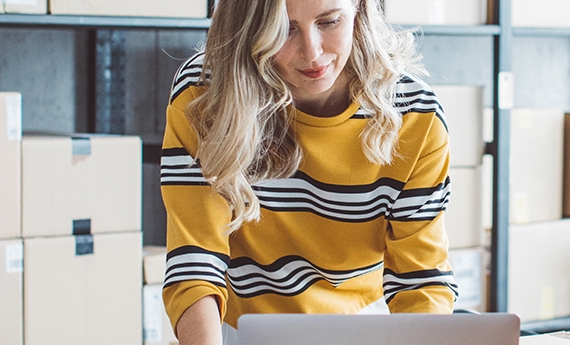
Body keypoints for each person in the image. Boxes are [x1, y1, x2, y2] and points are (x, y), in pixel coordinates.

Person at [159, 0, 458, 343]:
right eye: (284, 29)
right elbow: (195, 261)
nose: (312, 53)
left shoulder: (414, 114)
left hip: (360, 328)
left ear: (359, 9)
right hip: (234, 332)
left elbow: (420, 280)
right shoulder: (207, 94)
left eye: (329, 21)